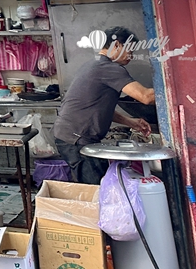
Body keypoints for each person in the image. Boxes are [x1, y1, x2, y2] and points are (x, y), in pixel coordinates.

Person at [52, 26, 155, 184]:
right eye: (130, 50)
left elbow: (96, 107)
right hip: (76, 139)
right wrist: (175, 90)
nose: (131, 56)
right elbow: (145, 97)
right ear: (117, 45)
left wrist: (131, 122)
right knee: (96, 190)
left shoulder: (93, 65)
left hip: (68, 136)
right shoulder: (109, 68)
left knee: (98, 186)